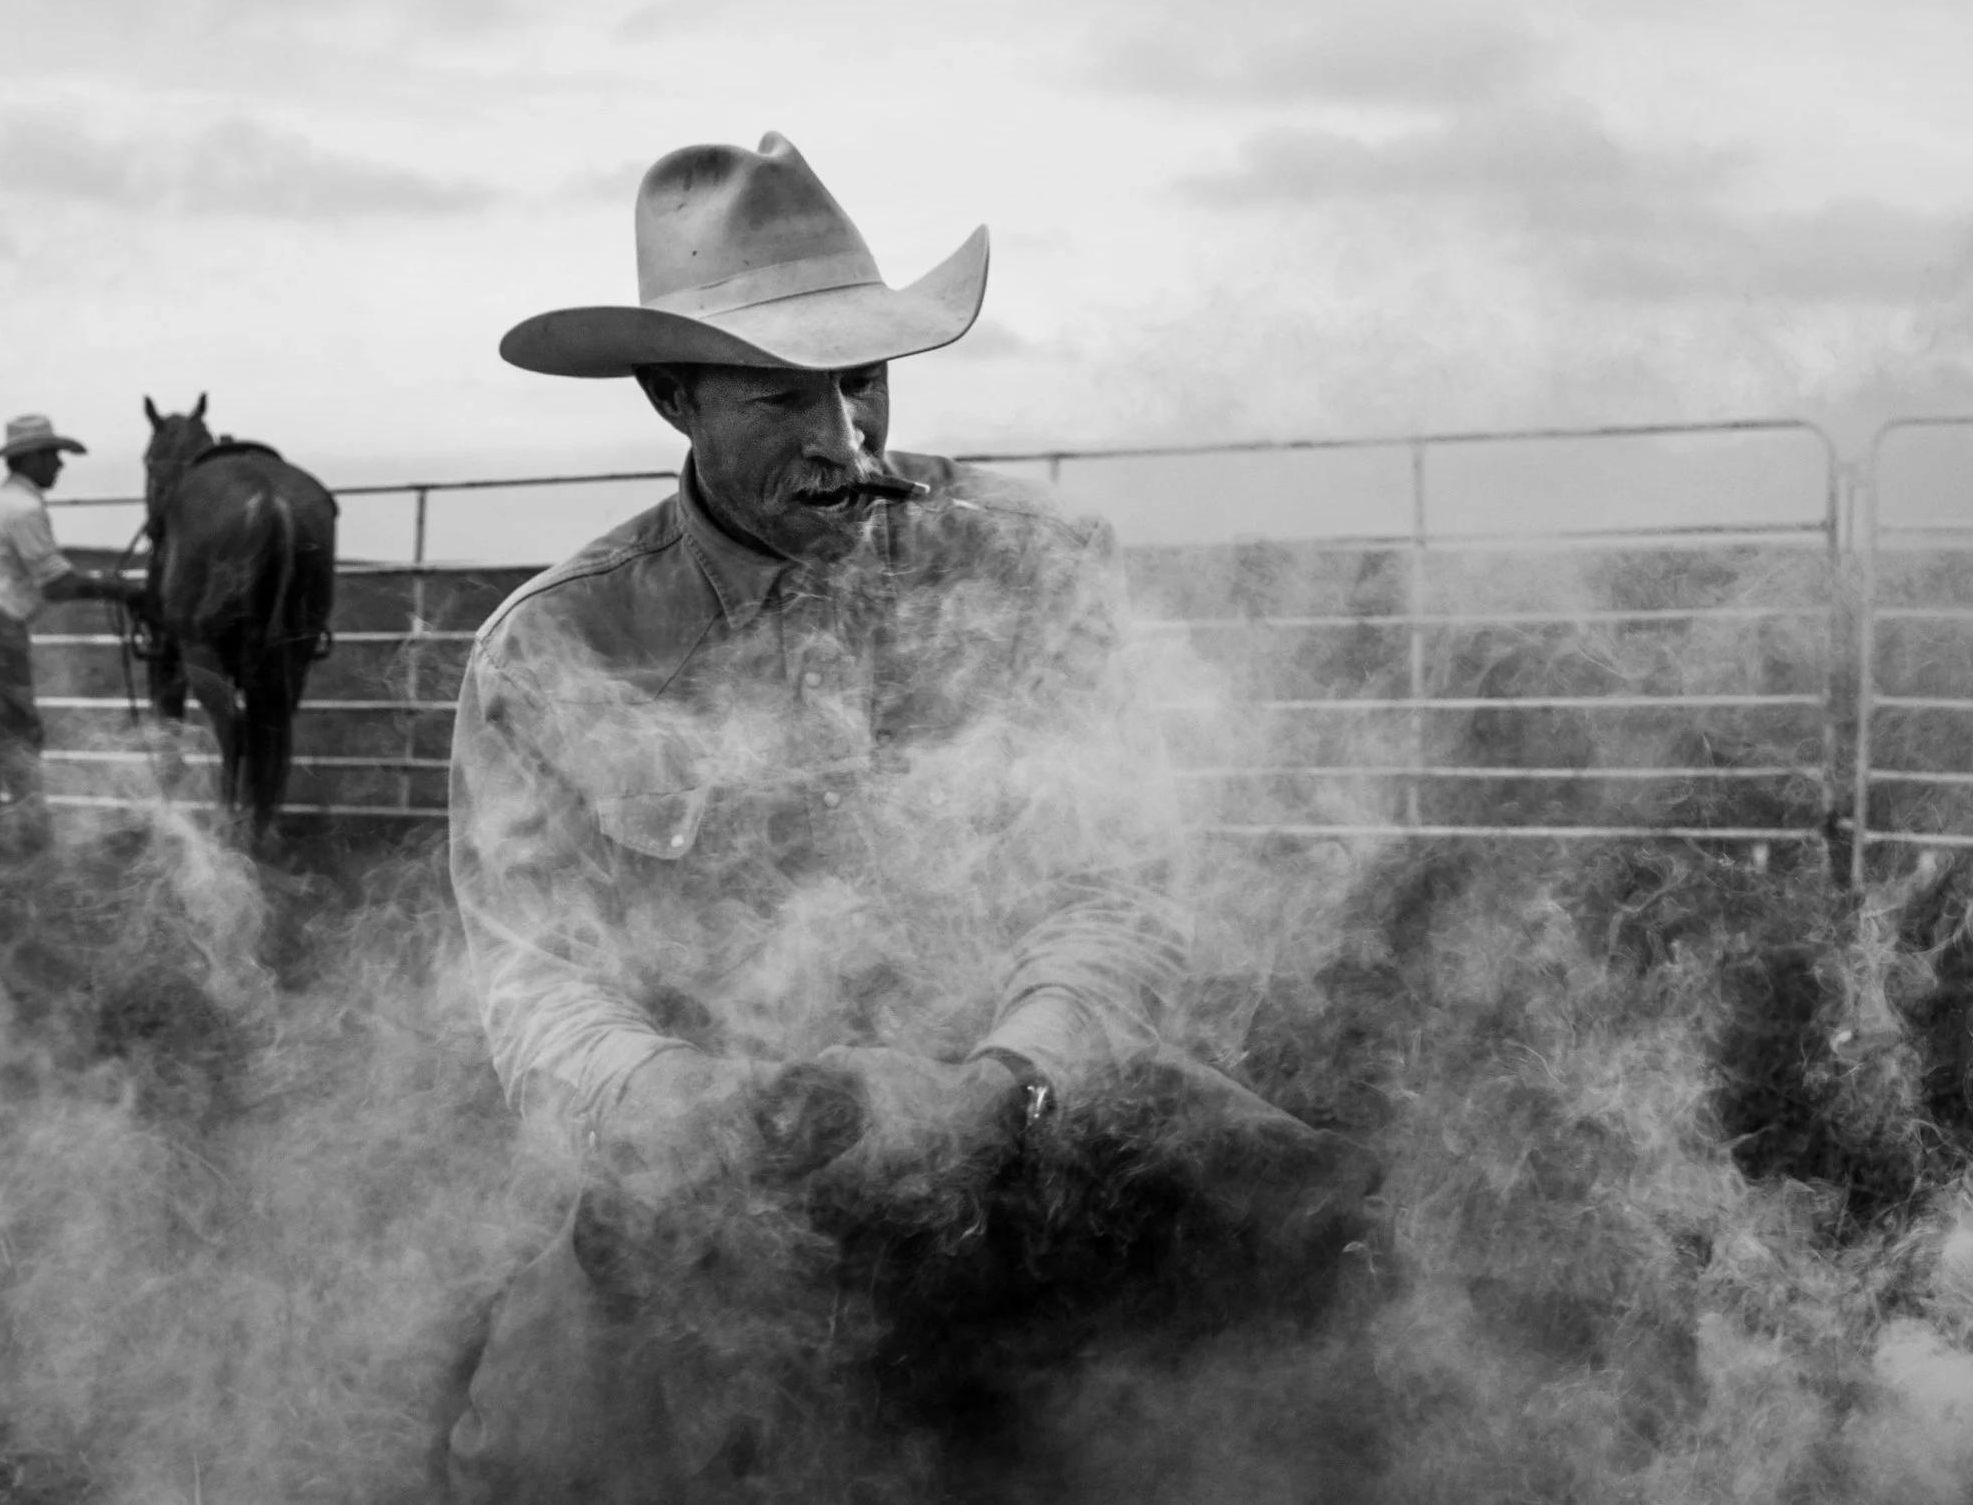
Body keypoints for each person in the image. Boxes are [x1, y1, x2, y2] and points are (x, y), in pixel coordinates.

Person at [446, 135, 1372, 1501]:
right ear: (673, 396)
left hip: (1037, 1107)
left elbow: (1115, 886)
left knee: (1350, 1288)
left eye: (862, 378)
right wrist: (705, 1112)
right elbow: (538, 979)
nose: (844, 438)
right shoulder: (554, 649)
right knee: (544, 1453)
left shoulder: (1032, 566)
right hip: (727, 1155)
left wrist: (1012, 1086)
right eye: (778, 395)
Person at [0, 414, 142, 851]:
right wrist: (123, 591)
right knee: (20, 733)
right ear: (30, 458)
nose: (59, 464)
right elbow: (56, 584)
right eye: (52, 455)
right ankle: (29, 837)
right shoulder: (23, 509)